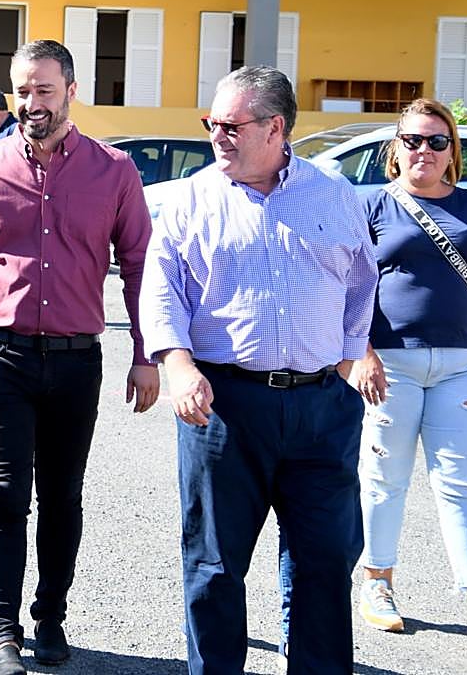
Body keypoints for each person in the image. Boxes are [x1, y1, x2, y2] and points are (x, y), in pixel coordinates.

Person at [139, 65, 378, 675]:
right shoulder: (191, 197)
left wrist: (350, 355)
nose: (216, 135)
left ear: (276, 127)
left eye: (230, 124)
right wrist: (177, 365)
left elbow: (359, 280)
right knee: (215, 565)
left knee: (324, 562)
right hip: (225, 405)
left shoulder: (332, 193)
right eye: (210, 123)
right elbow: (160, 290)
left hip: (322, 408)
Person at [0, 40, 159, 675]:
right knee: (4, 494)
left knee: (63, 495)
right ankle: (2, 633)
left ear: (70, 89)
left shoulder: (113, 170)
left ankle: (50, 617)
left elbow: (140, 266)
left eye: (44, 91)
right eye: (22, 91)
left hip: (75, 361)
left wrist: (146, 354)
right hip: (0, 355)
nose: (32, 104)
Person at [347, 98, 467, 654]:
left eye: (437, 141)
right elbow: (348, 288)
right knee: (383, 479)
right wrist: (362, 351)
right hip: (388, 365)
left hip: (463, 366)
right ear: (395, 150)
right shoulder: (371, 206)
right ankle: (377, 585)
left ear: (453, 152)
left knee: (464, 485)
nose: (425, 150)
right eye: (414, 140)